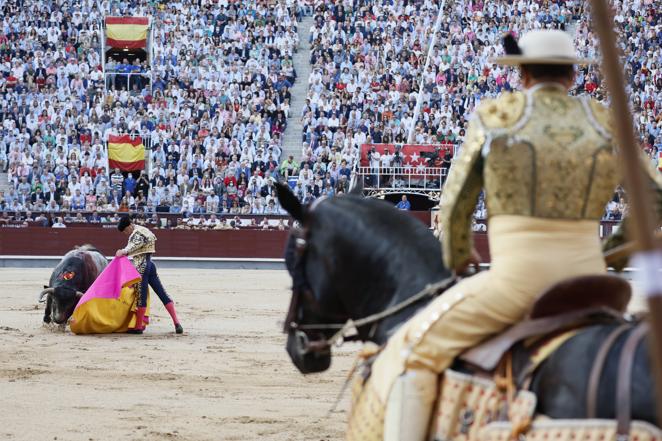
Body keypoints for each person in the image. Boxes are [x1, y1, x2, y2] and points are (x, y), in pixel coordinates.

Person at [347, 30, 661, 440]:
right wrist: (611, 254)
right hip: (594, 282)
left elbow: (456, 201)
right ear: (570, 75)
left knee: (413, 353)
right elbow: (654, 196)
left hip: (516, 284)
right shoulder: (604, 121)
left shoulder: (498, 118)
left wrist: (458, 255)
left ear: (523, 73)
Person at [115, 216, 183, 334]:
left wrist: (123, 251)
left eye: (126, 231)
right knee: (162, 293)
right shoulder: (144, 229)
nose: (126, 233)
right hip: (150, 264)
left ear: (130, 225)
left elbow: (133, 246)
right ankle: (177, 323)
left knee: (141, 296)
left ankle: (138, 327)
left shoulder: (137, 233)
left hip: (141, 266)